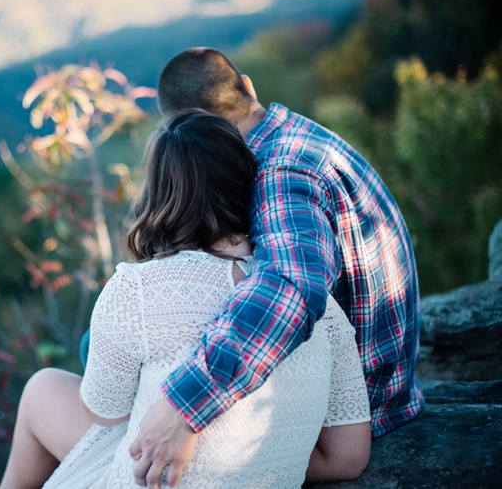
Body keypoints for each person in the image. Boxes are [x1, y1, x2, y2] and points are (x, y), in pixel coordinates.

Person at [0, 109, 371, 489]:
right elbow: (347, 458)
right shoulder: (320, 307)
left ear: (158, 192)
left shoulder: (136, 289)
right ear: (247, 180)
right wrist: (258, 461)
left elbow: (104, 413)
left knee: (41, 388)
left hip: (150, 478)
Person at [125, 47, 424, 487]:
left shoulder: (278, 173)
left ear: (194, 131)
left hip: (355, 411)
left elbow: (293, 287)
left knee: (105, 346)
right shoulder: (296, 135)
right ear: (247, 86)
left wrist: (185, 406)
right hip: (378, 382)